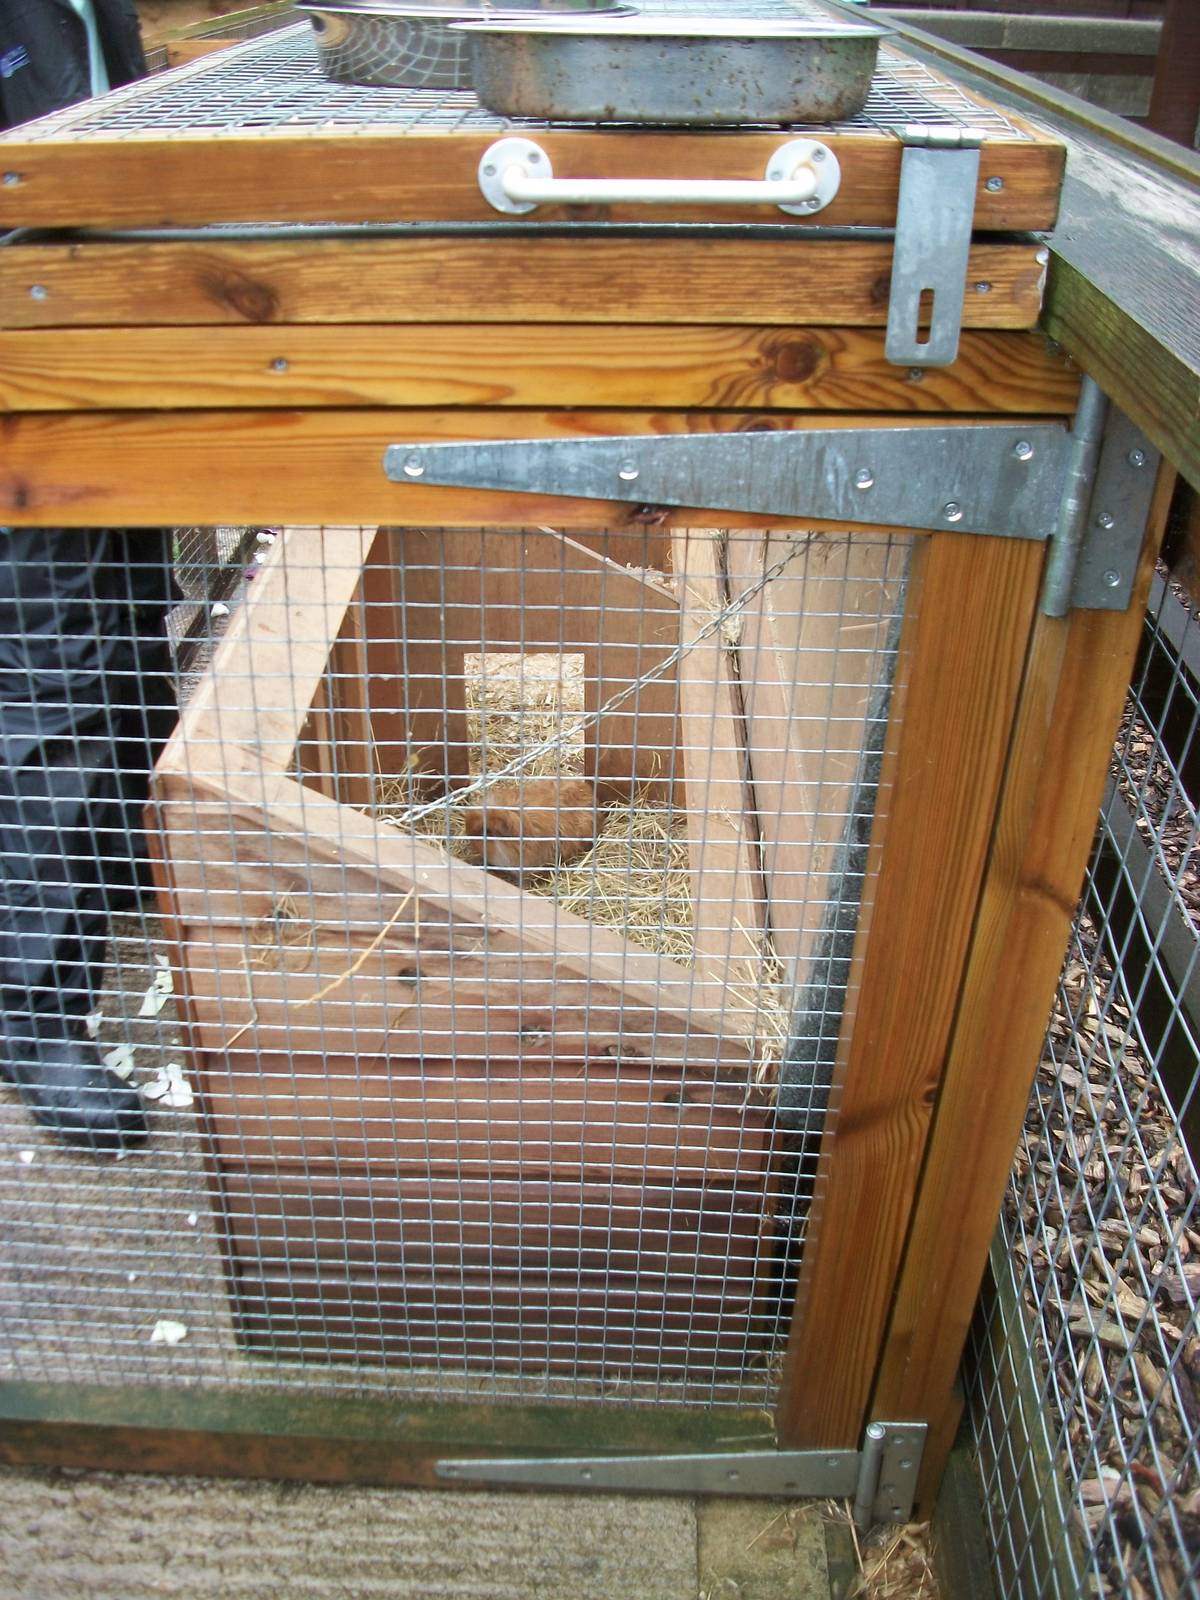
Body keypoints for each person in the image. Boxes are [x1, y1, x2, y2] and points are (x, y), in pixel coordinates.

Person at [1, 2, 175, 1153]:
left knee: (129, 624)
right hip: (23, 387)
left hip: (112, 359)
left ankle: (129, 864)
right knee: (49, 683)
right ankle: (36, 1017)